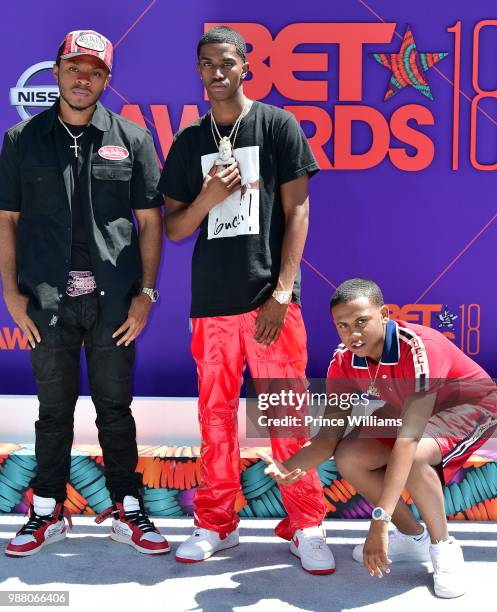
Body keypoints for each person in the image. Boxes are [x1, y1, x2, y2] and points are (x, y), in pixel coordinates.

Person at [158, 25, 333, 574]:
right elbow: (175, 229)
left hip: (270, 302)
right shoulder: (190, 142)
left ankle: (306, 526)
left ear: (246, 67)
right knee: (215, 419)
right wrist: (210, 195)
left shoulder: (277, 125)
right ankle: (216, 524)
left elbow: (299, 212)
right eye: (207, 63)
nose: (217, 72)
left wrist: (283, 289)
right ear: (199, 70)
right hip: (211, 306)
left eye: (227, 63)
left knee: (287, 418)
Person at [0, 30, 168, 556]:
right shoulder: (20, 139)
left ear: (107, 80)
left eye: (94, 70)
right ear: (56, 71)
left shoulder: (134, 138)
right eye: (74, 66)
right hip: (46, 301)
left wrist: (145, 294)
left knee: (115, 408)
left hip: (114, 303)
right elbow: (6, 219)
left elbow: (150, 222)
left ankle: (127, 506)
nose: (82, 77)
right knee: (54, 410)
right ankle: (46, 510)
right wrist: (10, 294)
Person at [260, 278, 497, 597]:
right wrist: (287, 466)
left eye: (361, 321)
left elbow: (408, 441)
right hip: (408, 411)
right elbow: (327, 440)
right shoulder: (342, 361)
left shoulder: (417, 347)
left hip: (470, 407)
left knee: (412, 456)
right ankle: (413, 539)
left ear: (384, 314)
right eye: (342, 326)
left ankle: (444, 548)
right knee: (348, 455)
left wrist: (378, 522)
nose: (352, 334)